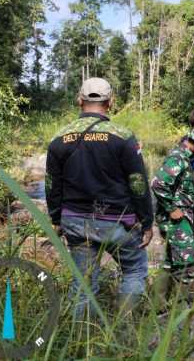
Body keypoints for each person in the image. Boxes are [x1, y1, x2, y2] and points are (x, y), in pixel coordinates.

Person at [45, 78, 153, 319]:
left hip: (75, 222)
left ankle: (84, 343)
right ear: (111, 102)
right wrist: (147, 222)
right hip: (118, 223)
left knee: (83, 285)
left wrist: (55, 219)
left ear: (79, 100)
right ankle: (124, 328)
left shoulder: (59, 139)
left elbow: (52, 184)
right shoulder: (123, 136)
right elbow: (138, 182)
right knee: (134, 271)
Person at [150, 124, 194, 300]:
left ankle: (158, 307)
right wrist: (172, 209)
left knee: (170, 263)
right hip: (176, 221)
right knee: (187, 265)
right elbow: (157, 183)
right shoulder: (178, 158)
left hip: (180, 219)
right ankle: (181, 312)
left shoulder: (186, 157)